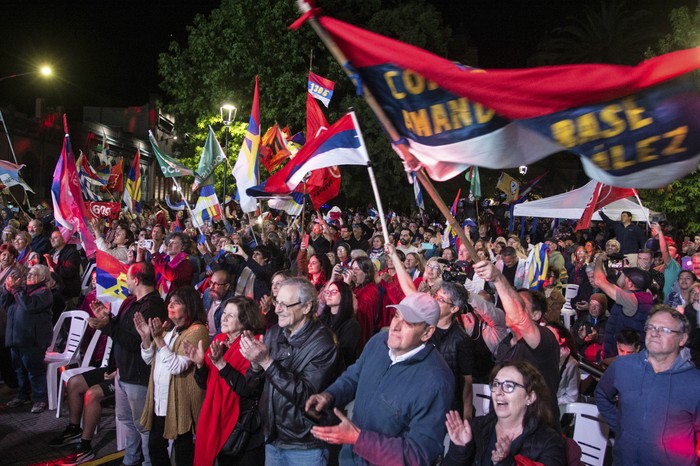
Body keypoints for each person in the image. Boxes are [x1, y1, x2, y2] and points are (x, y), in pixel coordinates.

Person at [305, 292, 454, 466]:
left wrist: (360, 439)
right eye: (396, 316)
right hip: (350, 458)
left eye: (409, 322)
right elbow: (355, 375)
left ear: (427, 332)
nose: (395, 326)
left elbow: (419, 454)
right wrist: (330, 395)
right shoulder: (379, 342)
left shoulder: (437, 381)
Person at [239, 277, 343, 465]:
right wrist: (255, 365)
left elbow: (308, 397)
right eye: (277, 302)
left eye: (285, 305)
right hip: (272, 438)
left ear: (306, 307)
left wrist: (267, 362)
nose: (277, 309)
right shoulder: (274, 333)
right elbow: (253, 387)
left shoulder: (324, 344)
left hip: (305, 444)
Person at [595, 306, 700, 465]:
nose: (654, 333)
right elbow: (602, 394)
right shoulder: (623, 366)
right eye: (651, 327)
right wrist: (622, 426)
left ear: (683, 339)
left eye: (664, 329)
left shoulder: (695, 383)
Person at [88, 262, 167, 466]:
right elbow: (120, 333)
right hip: (124, 374)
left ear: (136, 280)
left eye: (127, 277)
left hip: (139, 376)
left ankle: (148, 462)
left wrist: (108, 327)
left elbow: (136, 342)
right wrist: (108, 321)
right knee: (128, 421)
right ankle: (131, 458)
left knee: (143, 425)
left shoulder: (153, 306)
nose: (124, 280)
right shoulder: (131, 302)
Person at [186, 296, 267, 466]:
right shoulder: (219, 340)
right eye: (224, 313)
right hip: (217, 419)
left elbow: (248, 389)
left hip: (242, 427)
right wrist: (200, 364)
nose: (224, 317)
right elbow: (205, 384)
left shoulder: (253, 343)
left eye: (230, 315)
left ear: (244, 321)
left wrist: (221, 364)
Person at [135, 287, 208, 466]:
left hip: (180, 402)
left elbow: (177, 366)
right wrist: (146, 338)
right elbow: (149, 359)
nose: (170, 305)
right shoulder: (171, 329)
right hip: (161, 400)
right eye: (170, 302)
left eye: (177, 302)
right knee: (155, 448)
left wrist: (158, 339)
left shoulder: (197, 331)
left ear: (189, 307)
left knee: (183, 453)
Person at [443, 361, 566, 466]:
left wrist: (506, 462)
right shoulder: (476, 427)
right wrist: (460, 450)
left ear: (530, 397)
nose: (498, 392)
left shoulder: (548, 441)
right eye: (496, 384)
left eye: (509, 386)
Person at [3, 264, 53, 413]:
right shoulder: (22, 290)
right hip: (16, 337)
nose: (29, 276)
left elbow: (29, 306)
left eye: (34, 274)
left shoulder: (44, 292)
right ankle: (22, 395)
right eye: (29, 274)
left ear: (43, 278)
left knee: (34, 370)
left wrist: (17, 290)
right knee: (19, 369)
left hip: (33, 340)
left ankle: (40, 399)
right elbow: (4, 304)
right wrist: (7, 290)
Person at [594, 254, 654, 357]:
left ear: (630, 284)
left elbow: (599, 281)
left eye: (625, 277)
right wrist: (627, 270)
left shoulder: (631, 299)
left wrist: (599, 260)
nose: (622, 277)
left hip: (621, 356)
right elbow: (618, 283)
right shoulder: (643, 296)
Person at [319, 280, 361, 367]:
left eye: (334, 292)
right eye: (328, 292)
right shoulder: (321, 319)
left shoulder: (352, 325)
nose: (329, 295)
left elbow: (344, 354)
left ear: (344, 296)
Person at [545, 321, 580, 405]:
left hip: (553, 408)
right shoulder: (535, 354)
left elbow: (572, 396)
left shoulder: (570, 363)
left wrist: (551, 403)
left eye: (551, 335)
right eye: (544, 334)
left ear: (561, 340)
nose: (546, 338)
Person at [45, 230, 82, 305]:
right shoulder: (52, 252)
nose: (52, 240)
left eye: (55, 237)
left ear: (63, 238)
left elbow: (69, 272)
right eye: (51, 238)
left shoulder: (72, 252)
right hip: (53, 287)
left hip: (67, 290)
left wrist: (52, 265)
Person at [202, 269, 234, 338]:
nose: (211, 287)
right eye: (211, 282)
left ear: (226, 286)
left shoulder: (232, 304)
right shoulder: (207, 293)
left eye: (216, 284)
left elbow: (222, 332)